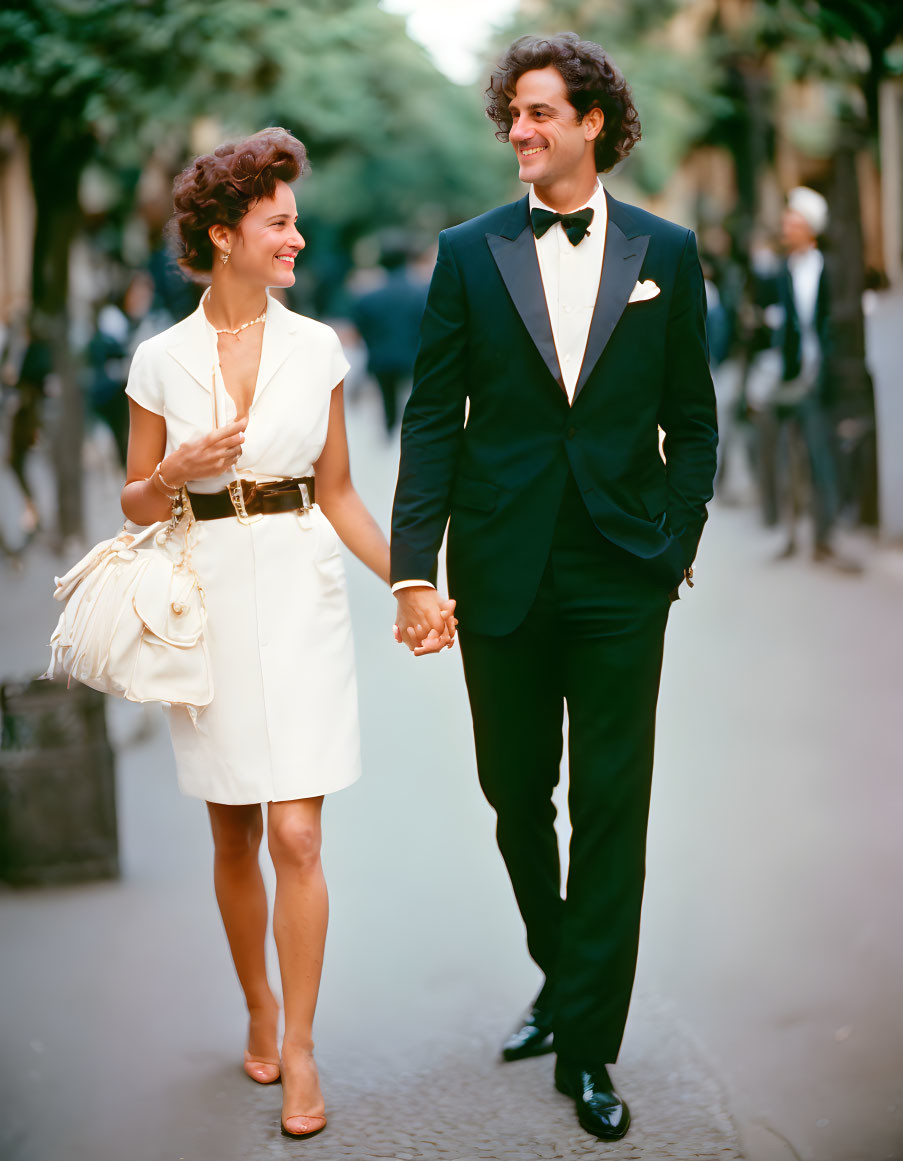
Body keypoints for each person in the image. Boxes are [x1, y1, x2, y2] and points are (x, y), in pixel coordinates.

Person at [390, 33, 717, 1141]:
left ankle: (587, 1047)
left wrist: (674, 539)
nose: (520, 132)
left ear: (593, 123)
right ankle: (564, 968)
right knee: (514, 792)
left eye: (539, 113)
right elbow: (432, 417)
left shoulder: (667, 250)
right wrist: (411, 568)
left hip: (623, 571)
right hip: (503, 567)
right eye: (512, 115)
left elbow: (696, 415)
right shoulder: (469, 253)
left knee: (613, 811)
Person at [120, 128, 411, 1140]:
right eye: (278, 222)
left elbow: (338, 492)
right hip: (206, 594)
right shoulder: (158, 359)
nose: (296, 237)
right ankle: (256, 1000)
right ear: (224, 233)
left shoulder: (319, 346)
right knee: (233, 828)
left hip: (300, 589)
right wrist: (175, 469)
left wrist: (410, 583)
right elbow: (133, 503)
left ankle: (299, 1046)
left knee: (296, 830)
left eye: (294, 221)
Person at [773, 186, 857, 570]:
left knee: (823, 460)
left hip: (822, 381)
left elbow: (836, 327)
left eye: (793, 221)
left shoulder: (830, 269)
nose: (786, 227)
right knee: (790, 458)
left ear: (810, 228)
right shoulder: (783, 271)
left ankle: (825, 537)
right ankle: (791, 536)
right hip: (791, 378)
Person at [350, 237, 428, 433]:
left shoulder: (368, 298)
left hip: (381, 358)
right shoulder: (422, 293)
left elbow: (361, 329)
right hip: (414, 357)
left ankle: (390, 429)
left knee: (388, 401)